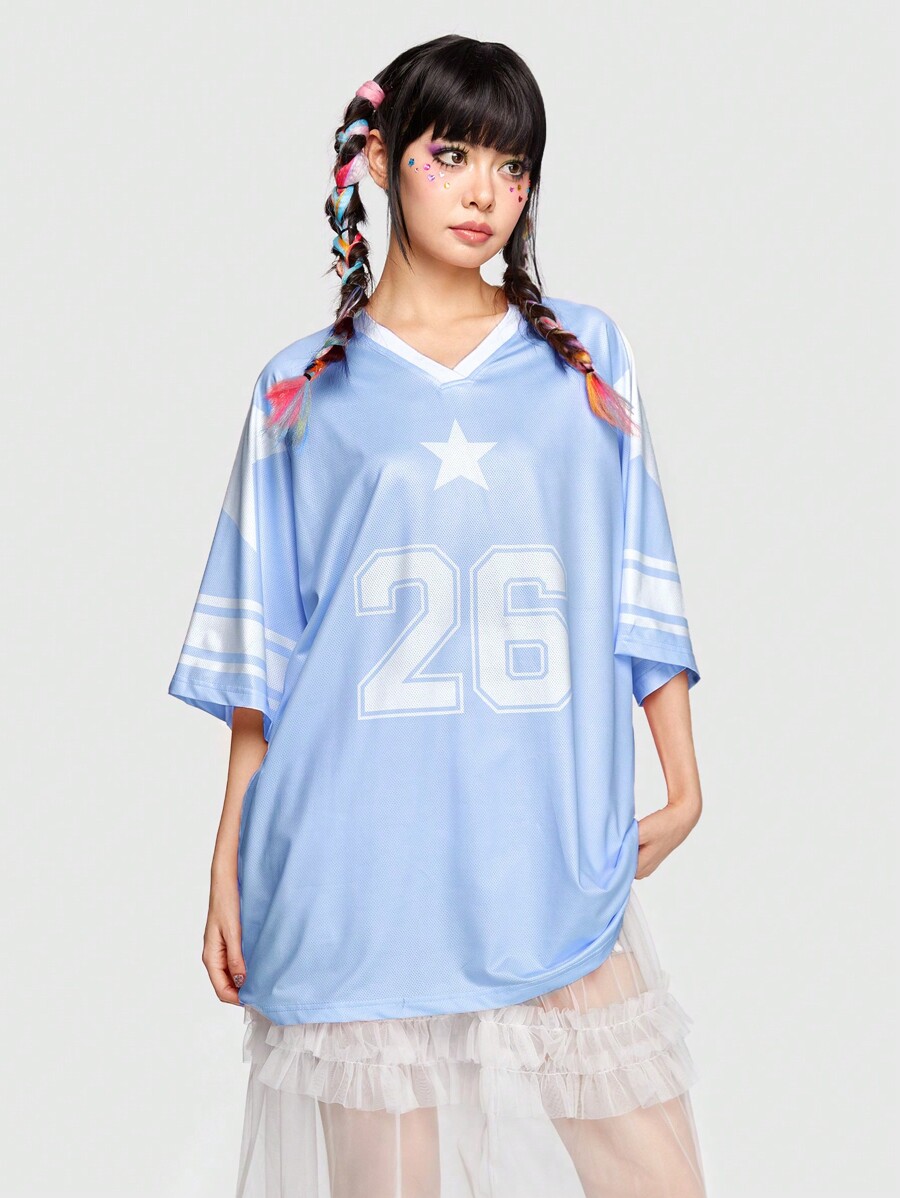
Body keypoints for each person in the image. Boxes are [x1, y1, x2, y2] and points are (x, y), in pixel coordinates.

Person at [168, 33, 708, 1198]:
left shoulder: (585, 361)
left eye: (512, 167)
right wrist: (226, 860)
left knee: (657, 1177)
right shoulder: (300, 392)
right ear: (379, 159)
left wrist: (684, 777)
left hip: (541, 833)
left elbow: (637, 566)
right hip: (356, 854)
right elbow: (264, 651)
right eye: (452, 154)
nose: (484, 194)